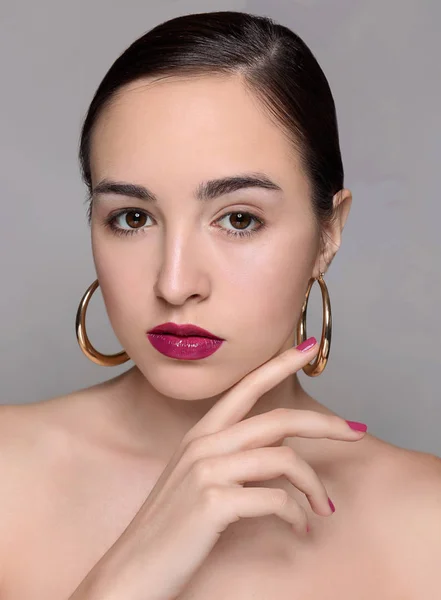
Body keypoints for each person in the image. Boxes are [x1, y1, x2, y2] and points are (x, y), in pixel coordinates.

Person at [1, 10, 440, 600]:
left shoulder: (425, 525)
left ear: (328, 233)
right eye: (132, 218)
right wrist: (125, 576)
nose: (175, 283)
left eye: (238, 219)